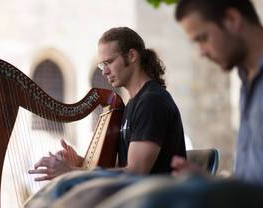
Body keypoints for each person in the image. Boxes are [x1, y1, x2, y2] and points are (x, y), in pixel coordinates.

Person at [29, 27, 186, 181]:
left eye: (109, 62)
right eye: (102, 65)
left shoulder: (152, 102)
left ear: (132, 55)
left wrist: (71, 172)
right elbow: (123, 166)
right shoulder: (132, 103)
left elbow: (136, 172)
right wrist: (81, 162)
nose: (104, 71)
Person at [171, 0, 263, 186]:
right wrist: (208, 182)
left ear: (232, 19)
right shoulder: (247, 78)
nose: (201, 52)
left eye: (202, 38)